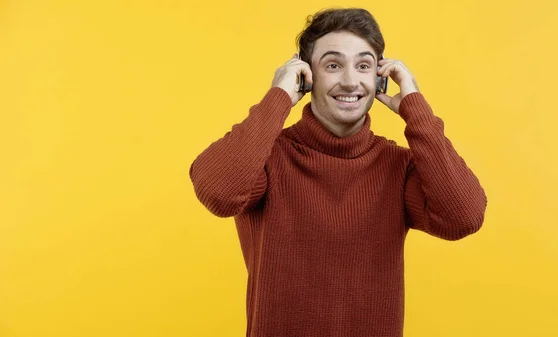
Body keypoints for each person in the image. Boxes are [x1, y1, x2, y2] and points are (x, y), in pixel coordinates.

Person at [189, 7, 487, 337]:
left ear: (379, 78)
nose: (350, 80)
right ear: (306, 76)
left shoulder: (398, 167)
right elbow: (218, 191)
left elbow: (464, 217)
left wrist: (415, 107)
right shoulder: (265, 159)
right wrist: (279, 97)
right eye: (333, 65)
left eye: (363, 65)